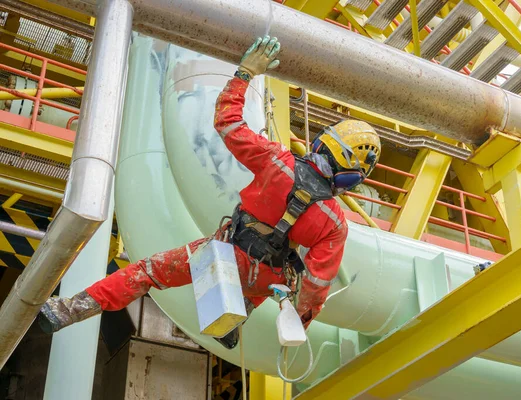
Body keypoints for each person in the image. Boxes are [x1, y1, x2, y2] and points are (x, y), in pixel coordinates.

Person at [38, 36, 381, 349]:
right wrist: (299, 323)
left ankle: (67, 310)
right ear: (351, 178)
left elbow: (228, 121)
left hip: (228, 253)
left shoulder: (276, 160)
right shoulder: (335, 222)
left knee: (145, 273)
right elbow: (316, 287)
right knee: (269, 279)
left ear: (322, 143)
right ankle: (235, 319)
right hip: (269, 278)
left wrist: (245, 73)